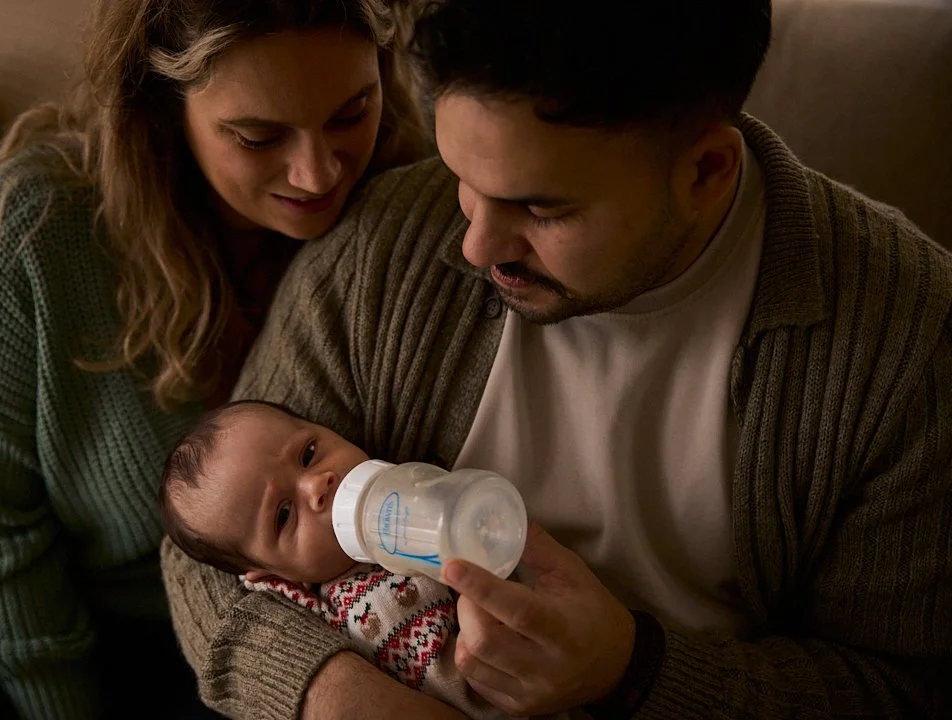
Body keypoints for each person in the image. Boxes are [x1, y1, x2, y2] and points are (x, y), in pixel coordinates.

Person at [161, 0, 952, 718]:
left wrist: (635, 672)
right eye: (463, 179)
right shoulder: (383, 249)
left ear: (706, 171)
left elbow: (901, 687)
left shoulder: (905, 345)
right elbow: (208, 544)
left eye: (540, 207)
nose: (473, 244)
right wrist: (337, 699)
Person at [0, 1, 432, 718]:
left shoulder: (403, 209)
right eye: (257, 136)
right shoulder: (41, 227)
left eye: (350, 114)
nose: (316, 175)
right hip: (45, 637)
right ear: (161, 107)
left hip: (292, 644)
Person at [158, 399, 509, 719]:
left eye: (309, 453)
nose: (316, 485)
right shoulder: (311, 610)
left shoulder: (410, 495)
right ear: (273, 577)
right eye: (283, 516)